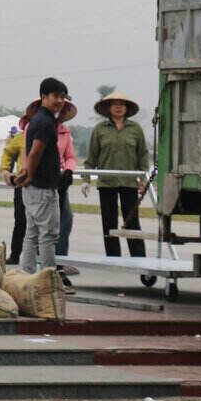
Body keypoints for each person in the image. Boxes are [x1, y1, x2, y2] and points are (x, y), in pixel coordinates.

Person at [13, 77, 69, 274]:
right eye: (56, 96)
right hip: (43, 188)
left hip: (34, 188)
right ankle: (48, 278)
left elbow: (32, 152)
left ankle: (26, 275)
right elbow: (35, 152)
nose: (60, 101)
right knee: (48, 236)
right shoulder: (46, 123)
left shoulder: (37, 120)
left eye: (63, 97)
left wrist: (27, 175)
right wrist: (29, 175)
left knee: (32, 233)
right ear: (43, 97)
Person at [86, 91, 148, 259]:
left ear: (127, 108)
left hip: (129, 183)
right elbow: (91, 157)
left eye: (122, 104)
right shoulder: (100, 130)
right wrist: (86, 180)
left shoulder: (135, 129)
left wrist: (143, 180)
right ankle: (113, 258)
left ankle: (139, 258)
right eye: (115, 104)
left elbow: (142, 155)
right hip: (107, 183)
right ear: (108, 108)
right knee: (109, 223)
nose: (119, 107)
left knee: (132, 222)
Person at [54, 99, 79, 275]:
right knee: (45, 226)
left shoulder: (65, 132)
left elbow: (70, 156)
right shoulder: (37, 126)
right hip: (44, 181)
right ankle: (45, 265)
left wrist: (69, 171)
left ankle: (61, 262)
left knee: (65, 221)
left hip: (61, 182)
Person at [0, 119, 28, 265]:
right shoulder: (21, 137)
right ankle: (15, 254)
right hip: (22, 184)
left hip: (42, 184)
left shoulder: (49, 133)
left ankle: (37, 256)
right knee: (20, 221)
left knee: (39, 224)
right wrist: (5, 170)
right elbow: (8, 153)